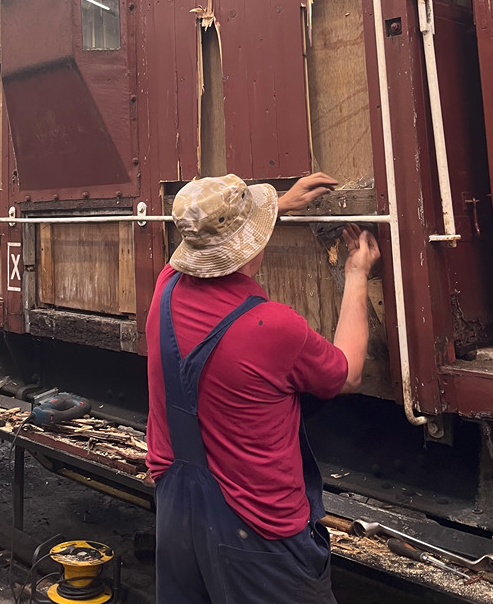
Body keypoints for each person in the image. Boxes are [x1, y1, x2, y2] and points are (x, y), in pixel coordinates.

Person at [145, 172, 380, 604]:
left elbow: (206, 234)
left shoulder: (166, 288)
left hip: (175, 514)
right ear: (251, 244)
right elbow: (347, 374)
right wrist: (356, 272)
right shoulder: (271, 327)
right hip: (256, 529)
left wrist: (277, 207)